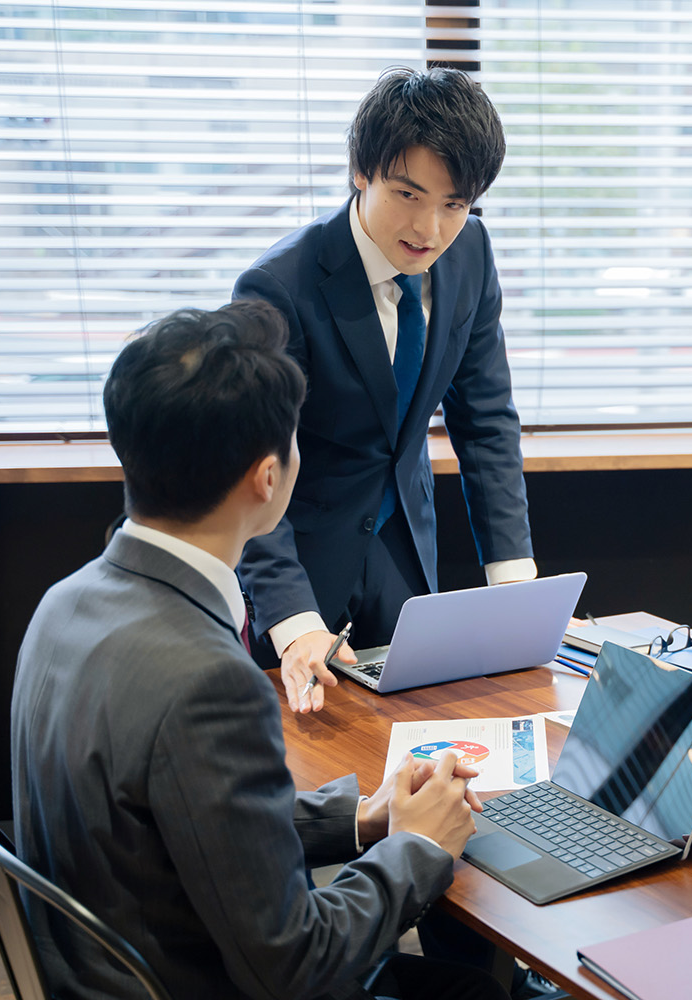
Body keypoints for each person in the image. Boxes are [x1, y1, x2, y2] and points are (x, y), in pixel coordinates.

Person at [10, 300, 507, 1000]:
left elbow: (193, 816)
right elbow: (295, 963)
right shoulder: (207, 680)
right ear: (267, 479)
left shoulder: (63, 604)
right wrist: (415, 847)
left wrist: (361, 817)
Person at [234, 66, 535, 715]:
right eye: (408, 194)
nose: (429, 228)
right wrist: (291, 618)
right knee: (310, 772)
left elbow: (486, 421)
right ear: (360, 170)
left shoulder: (471, 254)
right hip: (299, 566)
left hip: (406, 558)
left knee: (420, 748)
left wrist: (513, 583)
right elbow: (251, 468)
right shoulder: (279, 287)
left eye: (454, 203)